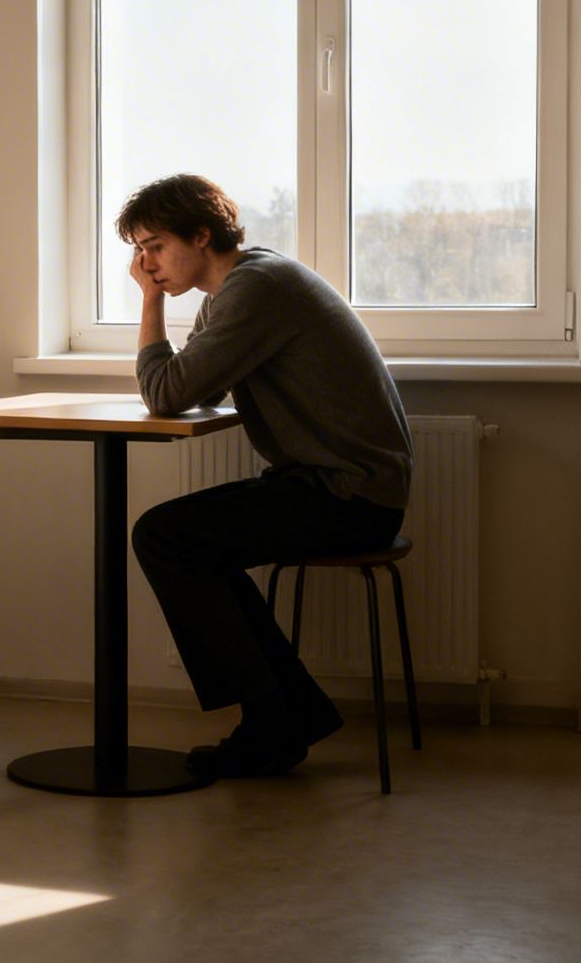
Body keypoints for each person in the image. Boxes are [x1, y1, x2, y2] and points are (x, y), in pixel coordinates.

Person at [122, 173, 413, 778]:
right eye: (139, 251)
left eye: (154, 246)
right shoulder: (238, 289)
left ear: (201, 235)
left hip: (348, 496)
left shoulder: (257, 287)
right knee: (182, 540)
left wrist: (148, 306)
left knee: (166, 536)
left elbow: (166, 394)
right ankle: (284, 714)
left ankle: (278, 718)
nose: (145, 264)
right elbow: (195, 384)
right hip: (336, 487)